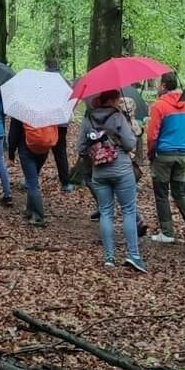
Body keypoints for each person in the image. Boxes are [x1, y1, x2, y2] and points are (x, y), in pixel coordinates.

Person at [79, 90, 146, 273]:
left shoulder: (88, 119)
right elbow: (131, 143)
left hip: (99, 171)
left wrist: (96, 153)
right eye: (117, 98)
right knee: (128, 211)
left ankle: (109, 258)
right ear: (111, 100)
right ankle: (133, 255)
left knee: (106, 212)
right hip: (122, 168)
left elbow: (81, 148)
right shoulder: (118, 117)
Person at [145, 72, 185, 246]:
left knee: (162, 193)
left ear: (164, 86)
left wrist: (151, 153)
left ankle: (167, 232)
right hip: (182, 154)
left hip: (163, 155)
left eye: (158, 84)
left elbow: (152, 135)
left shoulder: (159, 106)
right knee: (180, 192)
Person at [8, 119, 55, 226]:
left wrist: (11, 154)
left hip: (26, 149)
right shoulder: (48, 109)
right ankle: (30, 210)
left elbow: (13, 133)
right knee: (32, 179)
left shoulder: (21, 110)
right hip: (43, 148)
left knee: (32, 182)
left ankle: (39, 217)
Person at [45, 59, 73, 193]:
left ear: (47, 66)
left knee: (42, 149)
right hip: (62, 122)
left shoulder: (44, 81)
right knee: (60, 152)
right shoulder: (65, 82)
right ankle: (66, 182)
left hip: (47, 121)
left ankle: (30, 179)